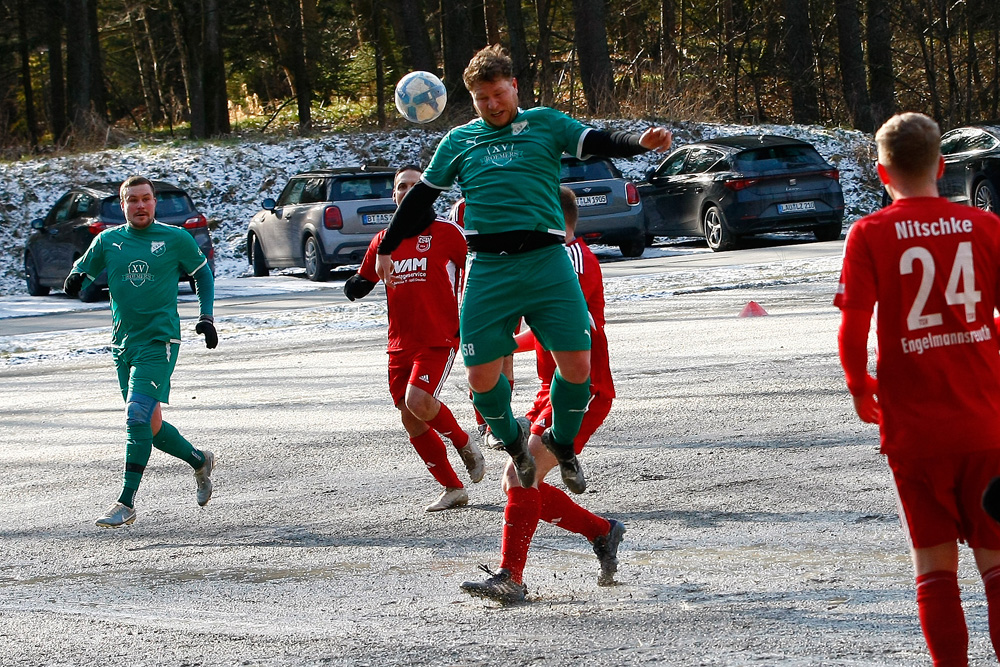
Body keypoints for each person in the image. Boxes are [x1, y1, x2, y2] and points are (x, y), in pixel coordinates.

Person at [376, 46, 669, 596]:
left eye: (498, 93)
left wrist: (637, 143)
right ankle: (593, 528)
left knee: (523, 466)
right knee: (488, 397)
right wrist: (390, 245)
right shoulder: (460, 142)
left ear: (515, 85)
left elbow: (594, 142)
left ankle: (520, 568)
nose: (490, 105)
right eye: (480, 99)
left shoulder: (569, 248)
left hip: (574, 372)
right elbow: (421, 202)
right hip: (496, 275)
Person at [835, 112, 1000, 665]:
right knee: (997, 565)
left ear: (882, 173)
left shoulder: (870, 233)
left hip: (914, 429)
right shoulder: (984, 226)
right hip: (986, 423)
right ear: (943, 166)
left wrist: (860, 387)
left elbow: (853, 327)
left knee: (933, 569)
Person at [460, 186, 623, 603]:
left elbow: (573, 326)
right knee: (518, 481)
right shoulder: (553, 255)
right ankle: (601, 531)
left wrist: (506, 343)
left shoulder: (567, 257)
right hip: (552, 392)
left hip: (583, 392)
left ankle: (511, 577)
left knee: (520, 475)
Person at [64, 175, 218, 528]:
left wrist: (206, 317)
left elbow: (202, 275)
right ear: (123, 205)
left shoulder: (175, 238)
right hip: (123, 345)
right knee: (149, 425)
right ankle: (199, 460)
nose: (140, 205)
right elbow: (82, 268)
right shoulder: (108, 240)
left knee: (135, 417)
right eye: (132, 200)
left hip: (159, 342)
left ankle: (125, 502)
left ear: (154, 202)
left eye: (146, 198)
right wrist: (75, 277)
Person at [344, 166, 485, 512]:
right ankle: (453, 489)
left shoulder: (449, 233)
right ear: (393, 196)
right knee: (410, 416)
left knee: (418, 401)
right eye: (401, 187)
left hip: (439, 337)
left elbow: (480, 270)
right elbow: (363, 280)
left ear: (428, 192)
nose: (407, 191)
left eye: (414, 186)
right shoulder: (382, 242)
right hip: (399, 343)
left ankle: (465, 443)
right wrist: (354, 286)